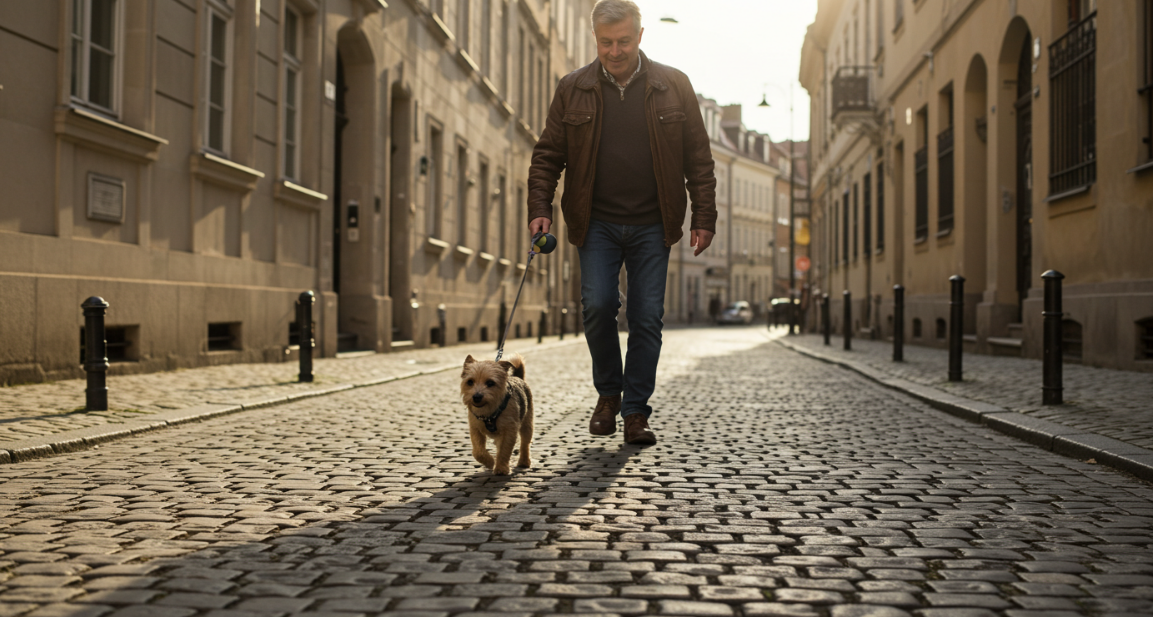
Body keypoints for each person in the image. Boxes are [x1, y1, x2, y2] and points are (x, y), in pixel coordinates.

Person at [526, 0, 717, 445]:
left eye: (624, 41)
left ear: (640, 36)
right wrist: (540, 207)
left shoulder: (674, 84)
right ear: (595, 39)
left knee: (646, 316)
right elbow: (548, 155)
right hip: (595, 221)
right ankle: (609, 394)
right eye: (606, 42)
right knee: (597, 306)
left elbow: (698, 158)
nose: (615, 51)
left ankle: (635, 412)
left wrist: (703, 215)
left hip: (654, 221)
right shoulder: (572, 87)